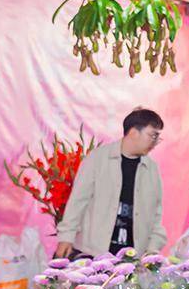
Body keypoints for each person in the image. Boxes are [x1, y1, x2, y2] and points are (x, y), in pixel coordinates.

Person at [55, 108, 167, 258]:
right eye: (152, 135)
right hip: (93, 253)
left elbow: (156, 215)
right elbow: (78, 201)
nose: (155, 143)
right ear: (133, 132)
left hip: (132, 258)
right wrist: (66, 237)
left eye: (157, 137)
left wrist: (152, 249)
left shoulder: (152, 169)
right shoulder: (98, 158)